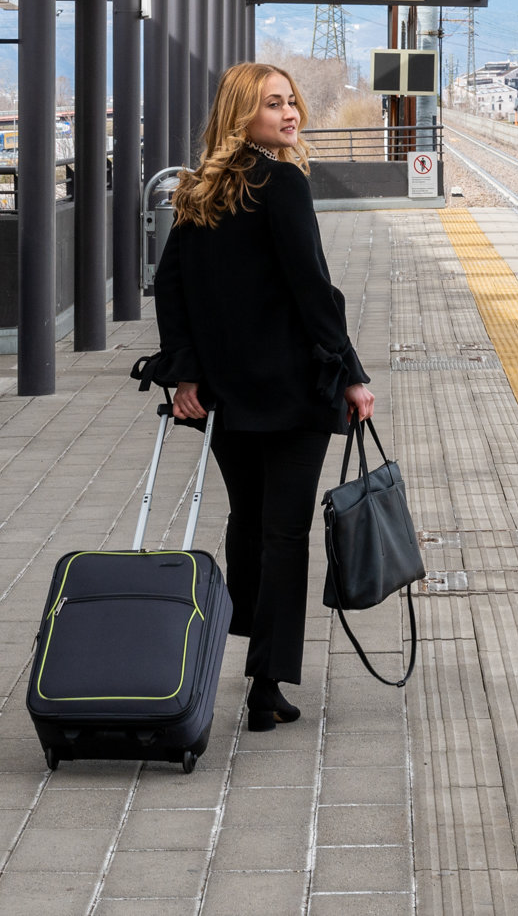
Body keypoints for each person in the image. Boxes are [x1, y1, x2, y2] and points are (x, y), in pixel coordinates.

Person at [149, 62, 374, 732]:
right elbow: (314, 289)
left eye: (291, 102)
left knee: (248, 524)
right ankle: (266, 684)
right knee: (284, 532)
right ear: (241, 115)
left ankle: (239, 642)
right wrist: (352, 374)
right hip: (293, 390)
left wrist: (187, 375)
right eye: (273, 105)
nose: (290, 114)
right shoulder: (282, 183)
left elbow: (171, 289)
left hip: (228, 395)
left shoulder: (199, 190)